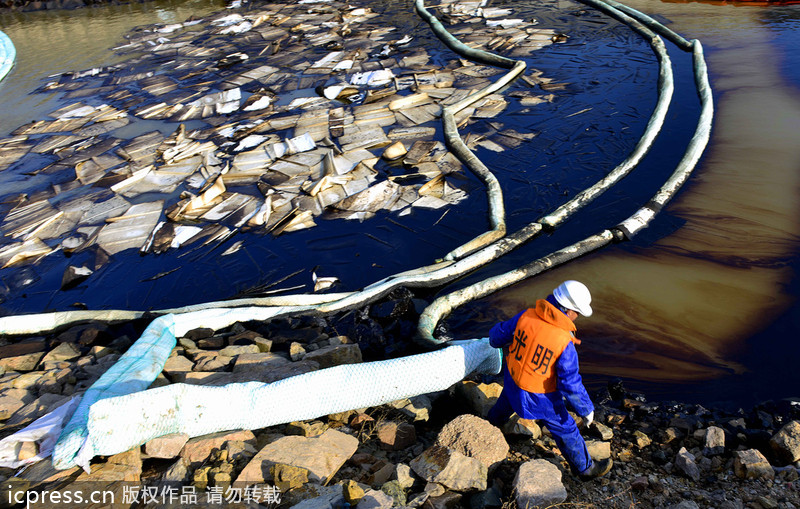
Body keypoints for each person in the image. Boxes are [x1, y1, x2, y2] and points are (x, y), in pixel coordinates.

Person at [487, 280, 612, 481]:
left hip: (512, 379)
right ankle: (585, 469)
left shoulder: (526, 316)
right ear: (569, 310)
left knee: (504, 404)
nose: (577, 317)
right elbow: (570, 383)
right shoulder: (563, 342)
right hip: (539, 395)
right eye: (577, 313)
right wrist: (586, 409)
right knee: (565, 427)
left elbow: (496, 337)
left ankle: (490, 426)